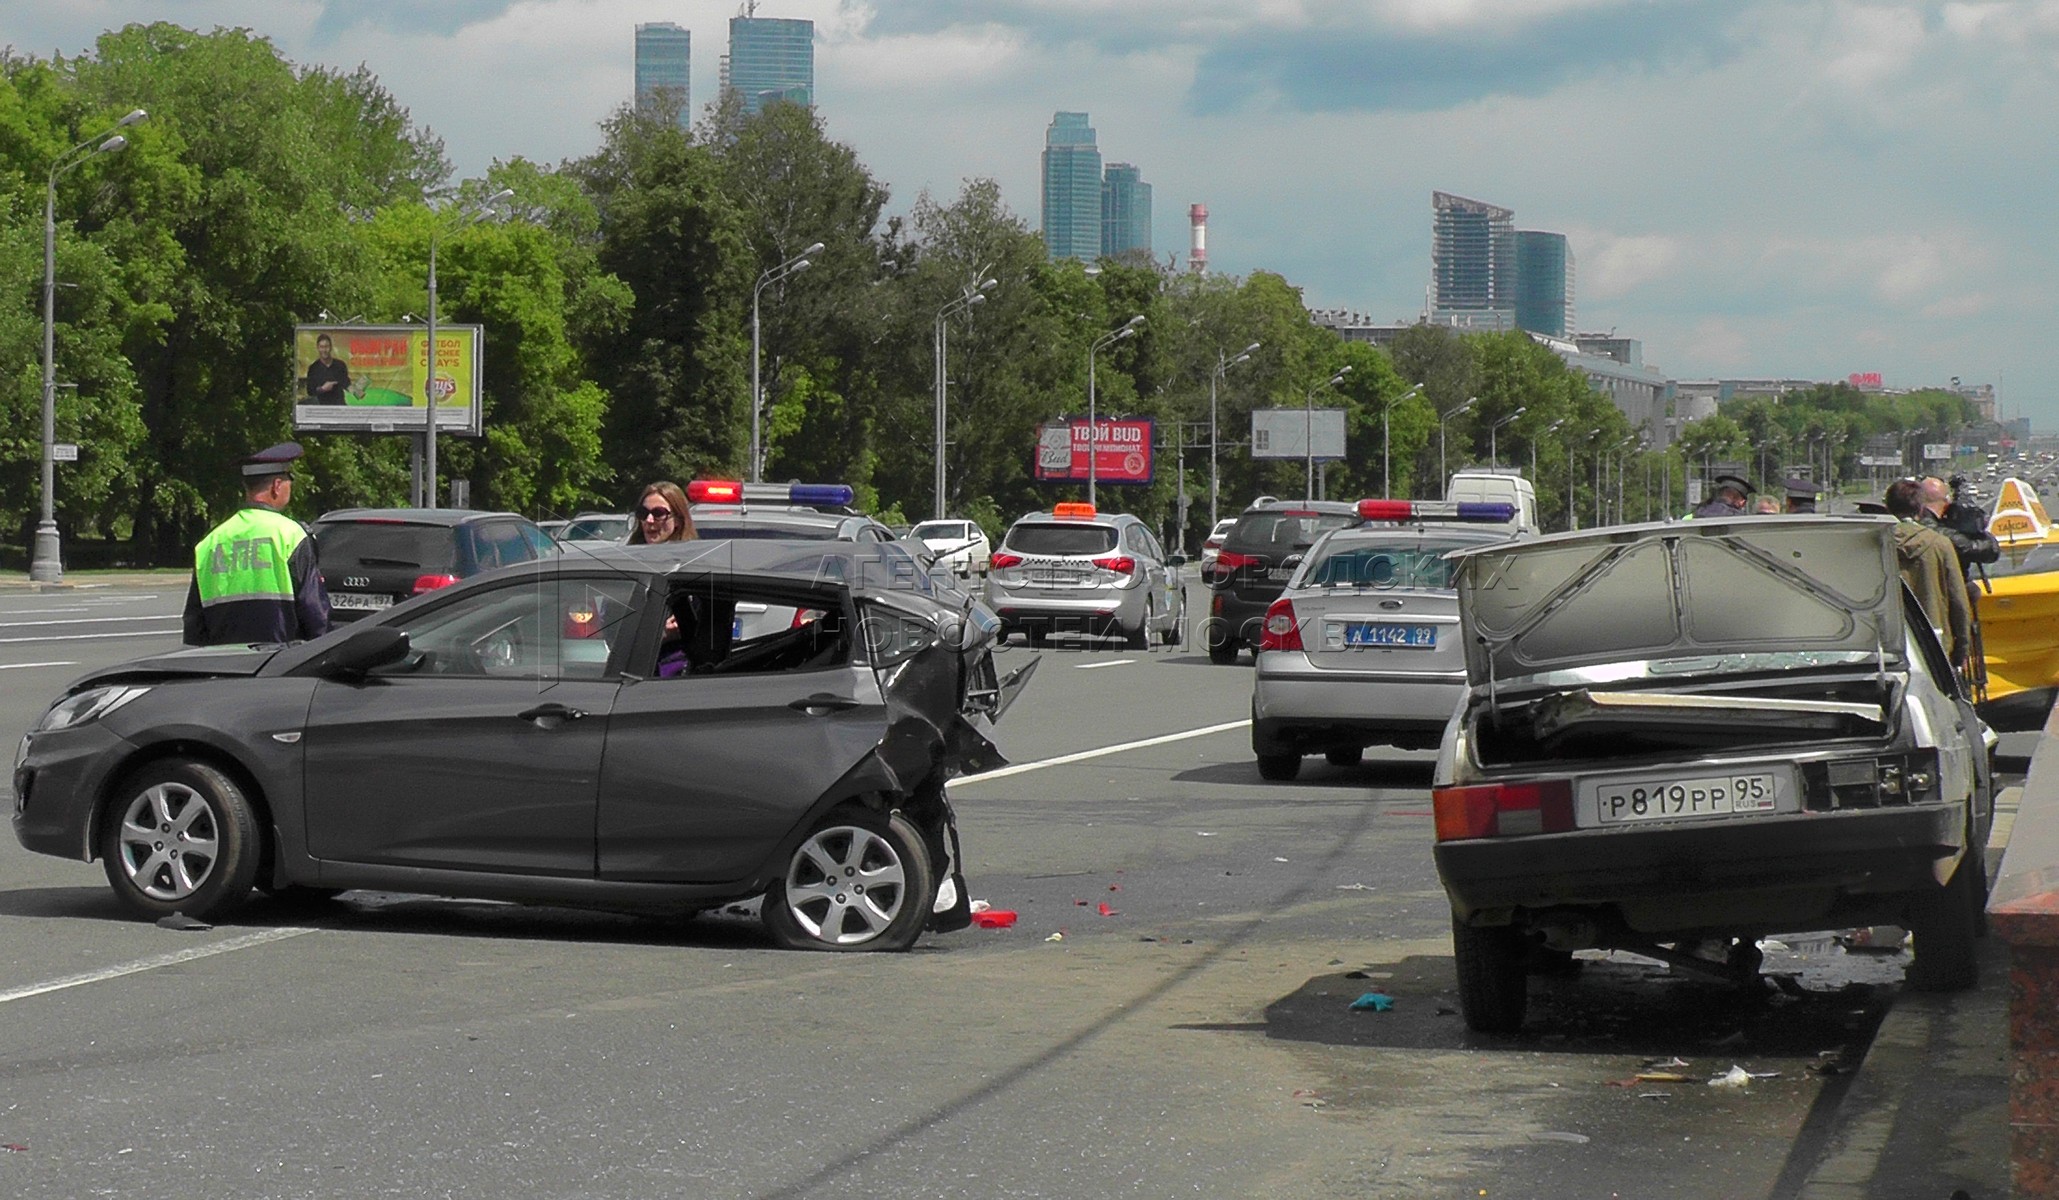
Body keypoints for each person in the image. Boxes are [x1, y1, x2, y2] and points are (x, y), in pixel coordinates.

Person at [182, 442, 331, 646]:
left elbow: (194, 629)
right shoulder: (291, 534)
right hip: (279, 665)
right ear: (277, 486)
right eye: (290, 480)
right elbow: (315, 614)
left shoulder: (210, 541)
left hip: (224, 668)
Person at [1885, 478, 1972, 670]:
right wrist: (1962, 650)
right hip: (1935, 645)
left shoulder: (1875, 543)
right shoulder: (1940, 544)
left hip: (1887, 645)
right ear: (1921, 509)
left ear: (1887, 506)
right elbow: (1959, 602)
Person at [627, 481, 697, 544]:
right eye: (643, 512)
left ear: (678, 519)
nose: (649, 520)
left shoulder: (695, 557)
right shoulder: (626, 556)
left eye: (658, 513)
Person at [303, 333, 362, 405]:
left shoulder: (340, 365)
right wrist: (323, 389)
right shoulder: (313, 368)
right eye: (322, 347)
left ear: (331, 347)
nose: (324, 350)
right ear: (318, 348)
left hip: (339, 406)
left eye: (326, 347)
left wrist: (357, 392)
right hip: (322, 408)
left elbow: (346, 384)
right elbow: (310, 391)